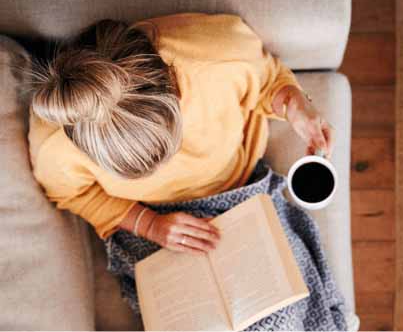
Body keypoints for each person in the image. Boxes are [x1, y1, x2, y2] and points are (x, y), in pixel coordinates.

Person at [28, 14, 333, 254]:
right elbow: (73, 194)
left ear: (172, 86)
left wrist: (294, 103)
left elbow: (268, 81)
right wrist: (149, 225)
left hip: (240, 188)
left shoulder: (217, 54)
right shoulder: (54, 144)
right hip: (151, 220)